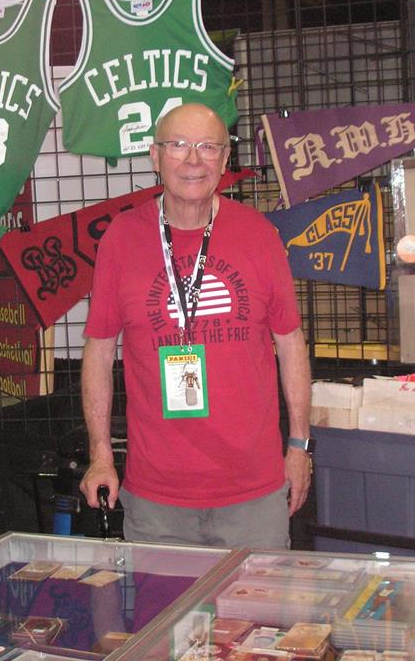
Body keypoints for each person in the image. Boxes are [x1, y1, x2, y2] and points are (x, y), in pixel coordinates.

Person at [78, 102, 312, 549]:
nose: (192, 160)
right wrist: (101, 454)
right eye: (178, 145)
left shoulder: (259, 235)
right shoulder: (121, 238)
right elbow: (99, 352)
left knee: (256, 599)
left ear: (225, 161)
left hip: (253, 495)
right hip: (156, 498)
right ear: (155, 156)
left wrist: (300, 446)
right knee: (161, 599)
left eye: (207, 147)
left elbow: (290, 344)